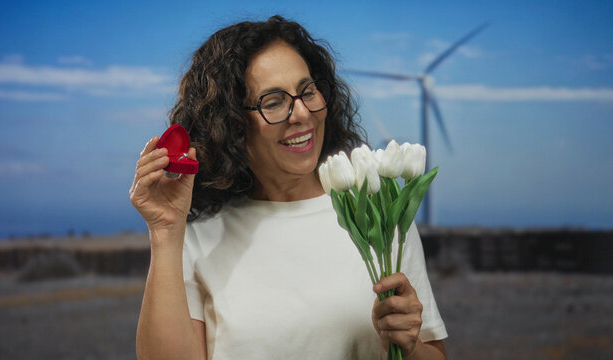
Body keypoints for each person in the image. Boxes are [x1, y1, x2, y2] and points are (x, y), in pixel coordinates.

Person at [130, 15, 447, 360]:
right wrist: (164, 233)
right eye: (273, 101)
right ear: (231, 124)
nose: (302, 114)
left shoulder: (381, 213)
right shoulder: (197, 237)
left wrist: (408, 344)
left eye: (307, 91)